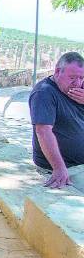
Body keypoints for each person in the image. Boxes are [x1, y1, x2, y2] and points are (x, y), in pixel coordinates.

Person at [29, 52, 84, 189]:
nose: (77, 83)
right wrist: (59, 168)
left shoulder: (80, 86)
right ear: (58, 71)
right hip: (68, 167)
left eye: (81, 78)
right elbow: (43, 131)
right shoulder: (44, 92)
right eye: (72, 78)